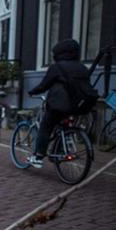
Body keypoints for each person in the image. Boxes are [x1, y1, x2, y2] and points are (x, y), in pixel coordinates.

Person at [26, 39, 91, 168]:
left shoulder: (57, 67)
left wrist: (32, 92)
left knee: (45, 127)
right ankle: (60, 150)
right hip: (79, 105)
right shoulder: (83, 67)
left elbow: (44, 85)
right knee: (64, 125)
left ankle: (38, 156)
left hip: (59, 105)